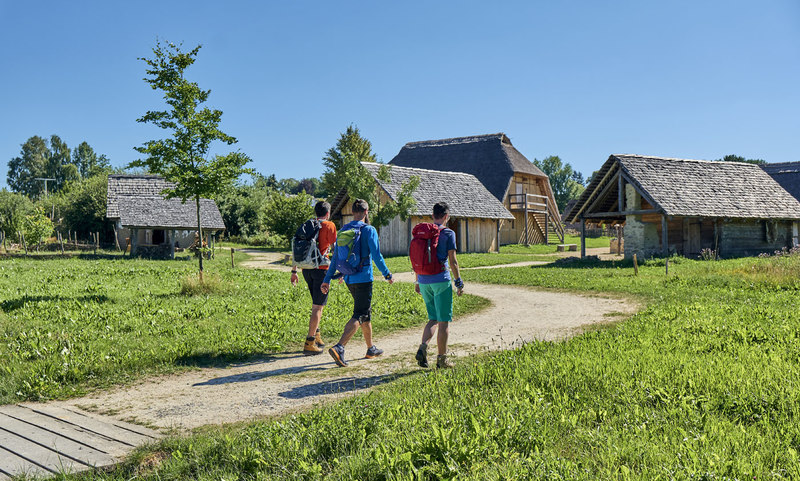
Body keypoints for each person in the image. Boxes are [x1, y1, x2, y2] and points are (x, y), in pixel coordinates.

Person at [321, 199, 394, 367]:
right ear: (366, 212)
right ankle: (340, 347)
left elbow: (335, 261)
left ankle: (371, 348)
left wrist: (327, 280)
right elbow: (376, 255)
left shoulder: (344, 230)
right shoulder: (369, 230)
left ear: (353, 212)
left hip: (348, 278)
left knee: (365, 313)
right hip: (364, 279)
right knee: (360, 313)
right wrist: (387, 274)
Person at [414, 202, 464, 369]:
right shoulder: (449, 233)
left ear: (433, 215)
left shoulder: (423, 233)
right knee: (443, 322)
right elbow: (453, 261)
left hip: (423, 279)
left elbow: (417, 260)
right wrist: (458, 281)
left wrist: (417, 281)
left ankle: (423, 346)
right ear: (446, 216)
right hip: (441, 280)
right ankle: (442, 360)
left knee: (432, 319)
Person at [291, 201, 337, 355]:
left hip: (306, 269)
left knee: (317, 305)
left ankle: (317, 336)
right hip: (321, 270)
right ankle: (310, 342)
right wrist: (341, 269)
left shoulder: (308, 225)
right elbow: (335, 247)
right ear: (328, 212)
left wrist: (294, 271)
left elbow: (298, 246)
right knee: (318, 306)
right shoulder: (329, 225)